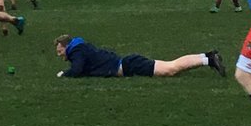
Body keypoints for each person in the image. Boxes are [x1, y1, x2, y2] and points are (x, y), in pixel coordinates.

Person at [54, 34, 225, 79]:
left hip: (129, 65)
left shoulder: (77, 51)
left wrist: (63, 74)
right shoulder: (80, 48)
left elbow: (77, 70)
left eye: (60, 50)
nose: (59, 54)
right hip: (129, 63)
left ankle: (209, 59)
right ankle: (207, 56)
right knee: (171, 66)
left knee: (170, 69)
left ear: (67, 46)